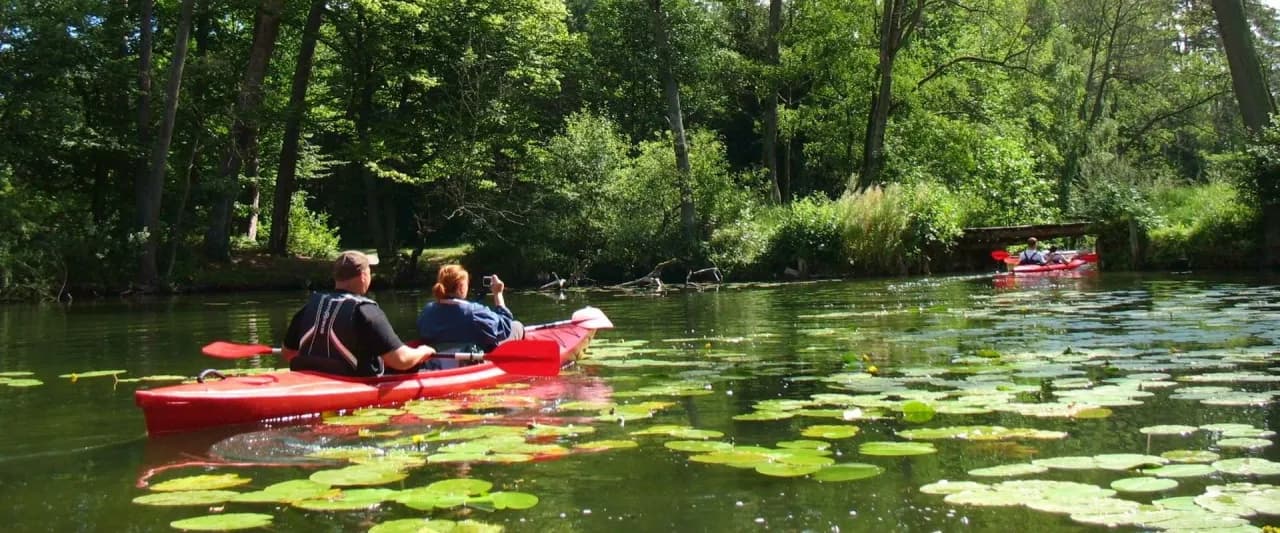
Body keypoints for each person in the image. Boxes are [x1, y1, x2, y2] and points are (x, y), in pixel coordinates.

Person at [282, 251, 435, 376]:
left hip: (312, 380)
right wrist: (423, 351)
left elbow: (288, 353)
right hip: (353, 383)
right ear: (363, 276)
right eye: (369, 271)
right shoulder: (366, 311)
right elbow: (401, 360)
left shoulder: (309, 306)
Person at [416, 264, 524, 354]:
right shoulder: (474, 312)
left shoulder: (427, 312)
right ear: (460, 287)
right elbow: (504, 327)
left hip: (438, 362)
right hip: (471, 359)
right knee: (517, 326)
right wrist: (498, 294)